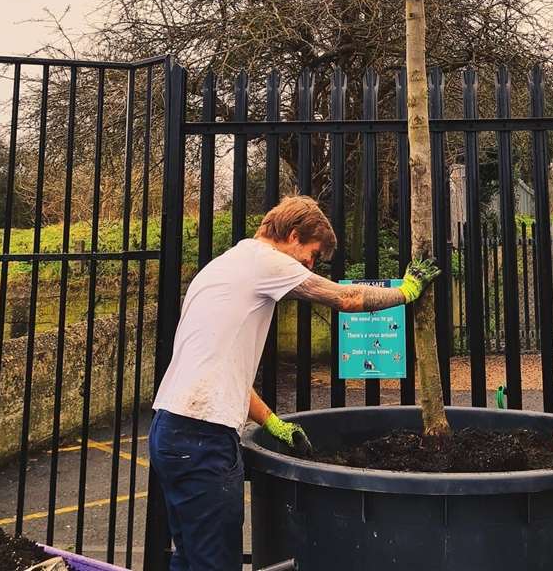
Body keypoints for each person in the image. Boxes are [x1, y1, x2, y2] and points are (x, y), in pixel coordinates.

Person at [148, 193, 439, 571]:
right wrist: (405, 292)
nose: (311, 264)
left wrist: (270, 421)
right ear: (294, 235)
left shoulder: (223, 266)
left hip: (172, 431)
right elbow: (346, 298)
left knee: (190, 558)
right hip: (202, 439)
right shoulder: (265, 261)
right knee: (214, 564)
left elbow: (221, 375)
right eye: (313, 253)